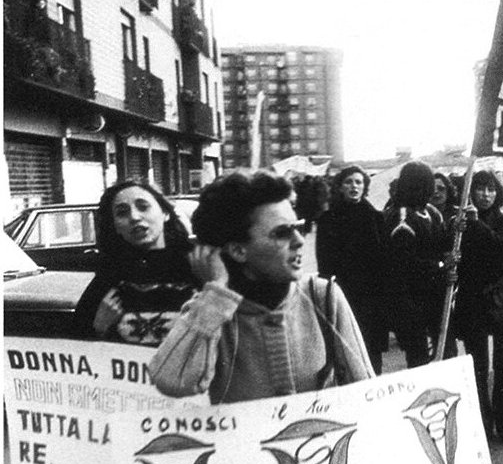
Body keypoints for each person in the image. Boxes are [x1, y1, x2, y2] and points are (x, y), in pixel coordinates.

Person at [150, 171, 373, 404]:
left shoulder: (321, 295)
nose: (299, 240)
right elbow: (171, 381)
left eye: (297, 227)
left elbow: (366, 390)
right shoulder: (209, 309)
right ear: (238, 250)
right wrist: (216, 291)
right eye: (282, 233)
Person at [74, 180, 199, 346]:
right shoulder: (110, 275)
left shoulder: (197, 264)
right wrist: (99, 327)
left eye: (143, 206)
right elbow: (76, 347)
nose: (134, 217)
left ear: (165, 213)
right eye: (122, 212)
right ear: (115, 226)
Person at [452, 170, 503, 444]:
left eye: (491, 189)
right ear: (471, 191)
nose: (486, 194)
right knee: (477, 368)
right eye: (480, 189)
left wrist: (476, 223)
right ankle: (482, 423)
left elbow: (499, 252)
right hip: (472, 302)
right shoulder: (459, 224)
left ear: (499, 193)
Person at [382, 161, 456, 368]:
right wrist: (441, 266)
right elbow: (405, 264)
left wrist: (454, 230)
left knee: (447, 351)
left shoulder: (432, 212)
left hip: (436, 296)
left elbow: (440, 244)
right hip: (411, 302)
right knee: (420, 359)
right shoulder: (401, 218)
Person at [315, 165, 390, 372]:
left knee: (371, 351)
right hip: (344, 293)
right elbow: (324, 264)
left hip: (372, 296)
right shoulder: (328, 220)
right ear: (340, 187)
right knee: (345, 349)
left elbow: (384, 259)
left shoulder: (376, 218)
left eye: (358, 182)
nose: (354, 186)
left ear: (365, 186)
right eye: (348, 182)